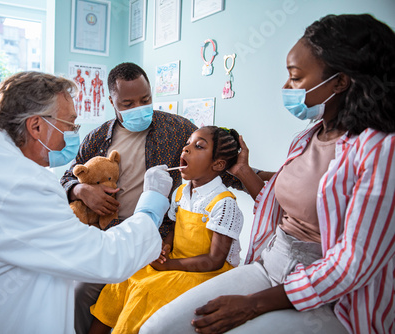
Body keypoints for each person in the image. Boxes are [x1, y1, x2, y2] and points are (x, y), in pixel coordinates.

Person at [140, 14, 395, 334]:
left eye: (296, 77)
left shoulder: (382, 151)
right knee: (157, 329)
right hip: (271, 264)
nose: (286, 87)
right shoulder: (307, 138)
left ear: (340, 82)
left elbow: (354, 262)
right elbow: (284, 204)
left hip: (332, 294)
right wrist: (245, 171)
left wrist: (254, 304)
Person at [0, 71, 175, 333]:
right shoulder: (18, 182)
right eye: (69, 124)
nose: (74, 132)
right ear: (37, 126)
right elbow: (106, 258)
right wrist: (151, 205)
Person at [60, 62, 244, 334]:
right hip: (108, 235)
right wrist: (81, 191)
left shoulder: (178, 130)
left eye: (145, 99)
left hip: (156, 238)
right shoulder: (98, 137)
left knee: (139, 292)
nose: (140, 107)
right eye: (128, 102)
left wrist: (265, 176)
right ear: (112, 101)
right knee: (79, 294)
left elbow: (220, 168)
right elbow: (68, 176)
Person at [88, 126, 245, 334]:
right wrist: (164, 246)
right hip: (178, 260)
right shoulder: (181, 192)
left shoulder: (223, 203)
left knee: (147, 290)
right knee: (125, 277)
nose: (186, 149)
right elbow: (175, 228)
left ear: (218, 164)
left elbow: (215, 260)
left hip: (207, 272)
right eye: (187, 143)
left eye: (198, 146)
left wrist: (169, 264)